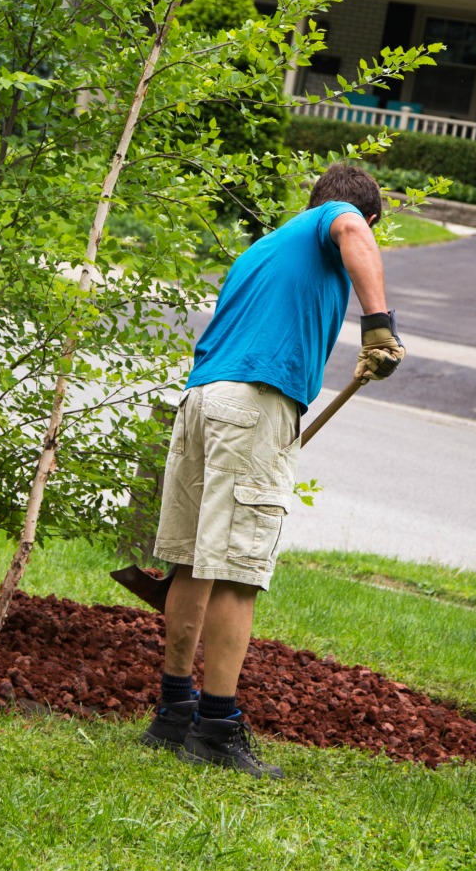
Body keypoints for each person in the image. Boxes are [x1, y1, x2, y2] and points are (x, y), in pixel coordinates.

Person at [140, 162, 404, 778]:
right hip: (253, 404)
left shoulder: (263, 249)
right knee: (236, 571)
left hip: (203, 401)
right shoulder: (333, 221)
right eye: (368, 230)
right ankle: (217, 728)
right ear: (362, 218)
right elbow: (351, 231)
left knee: (193, 562)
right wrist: (379, 327)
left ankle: (172, 716)